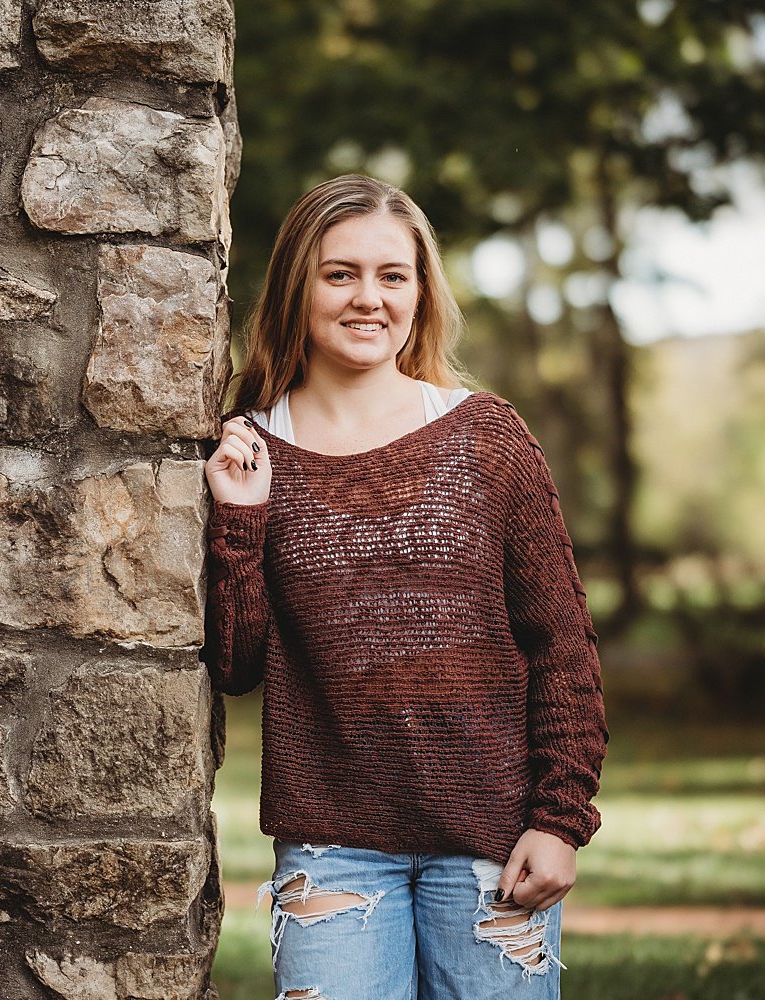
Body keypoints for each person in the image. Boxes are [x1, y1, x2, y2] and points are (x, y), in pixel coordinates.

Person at [201, 173, 608, 1000]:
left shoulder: (485, 438)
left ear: (421, 294)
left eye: (393, 275)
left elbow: (561, 644)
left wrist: (560, 819)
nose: (368, 299)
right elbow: (238, 666)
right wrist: (241, 521)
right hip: (332, 850)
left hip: (491, 839)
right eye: (339, 273)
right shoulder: (251, 450)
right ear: (298, 288)